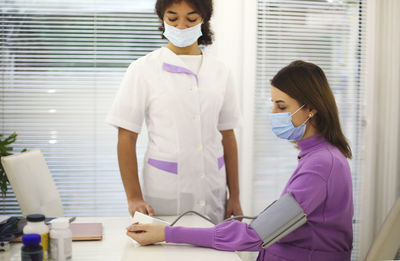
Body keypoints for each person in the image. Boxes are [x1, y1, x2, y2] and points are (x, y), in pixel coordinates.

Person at [126, 61, 354, 261]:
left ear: (311, 109)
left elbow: (256, 235)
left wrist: (166, 234)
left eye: (282, 106)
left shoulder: (321, 165)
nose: (273, 112)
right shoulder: (320, 156)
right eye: (273, 104)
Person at [106, 0, 243, 223]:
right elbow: (126, 137)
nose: (181, 27)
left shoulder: (221, 72)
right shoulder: (143, 69)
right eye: (173, 18)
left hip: (213, 190)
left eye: (191, 19)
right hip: (164, 192)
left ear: (203, 20)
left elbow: (228, 136)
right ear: (162, 19)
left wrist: (235, 196)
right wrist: (133, 197)